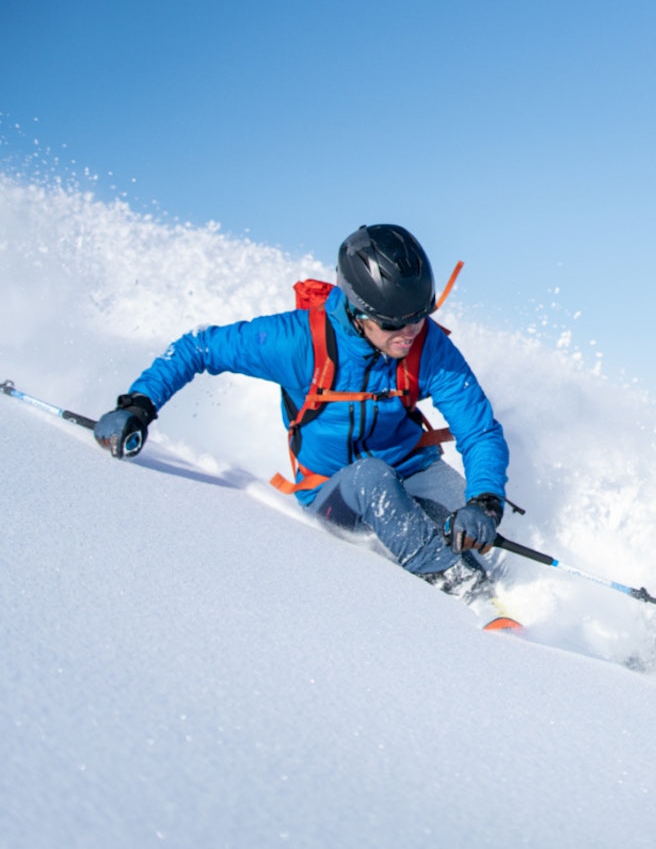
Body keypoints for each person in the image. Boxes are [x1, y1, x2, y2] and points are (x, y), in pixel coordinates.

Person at [92, 223, 510, 598]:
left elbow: (479, 431)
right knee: (372, 478)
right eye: (393, 323)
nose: (409, 333)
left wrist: (485, 502)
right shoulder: (296, 343)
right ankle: (463, 593)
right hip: (335, 491)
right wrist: (138, 405)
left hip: (415, 468)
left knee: (484, 537)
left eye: (419, 318)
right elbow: (198, 347)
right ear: (358, 311)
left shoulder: (427, 344)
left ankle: (511, 599)